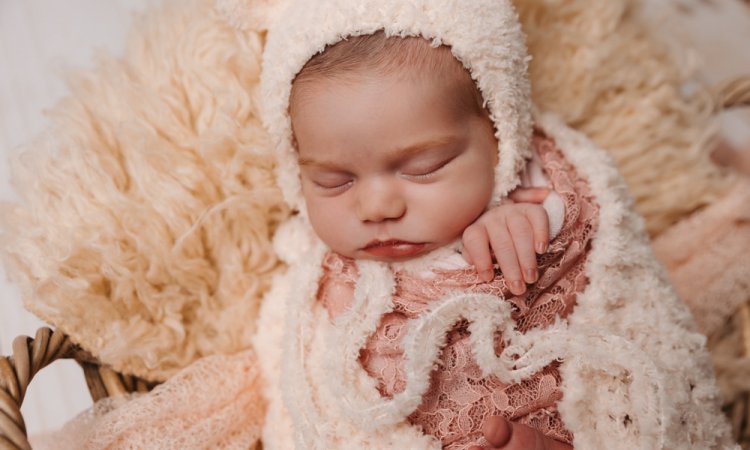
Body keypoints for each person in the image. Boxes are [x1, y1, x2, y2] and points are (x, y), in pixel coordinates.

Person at [254, 0, 734, 449]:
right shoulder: (311, 274)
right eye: (334, 181)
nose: (377, 207)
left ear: (501, 137)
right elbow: (302, 391)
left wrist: (536, 224)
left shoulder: (542, 199)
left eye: (424, 168)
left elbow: (608, 317)